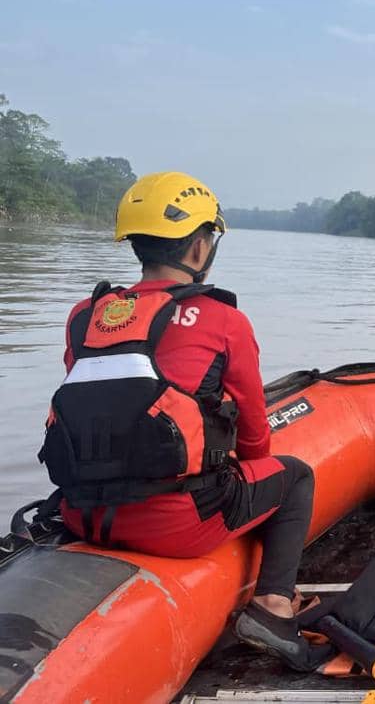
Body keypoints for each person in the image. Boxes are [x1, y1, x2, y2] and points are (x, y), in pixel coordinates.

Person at [38, 171, 322, 670]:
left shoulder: (86, 314)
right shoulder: (224, 319)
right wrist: (241, 468)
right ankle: (275, 608)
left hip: (83, 515)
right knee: (295, 476)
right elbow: (255, 434)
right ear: (197, 247)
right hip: (179, 526)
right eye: (209, 237)